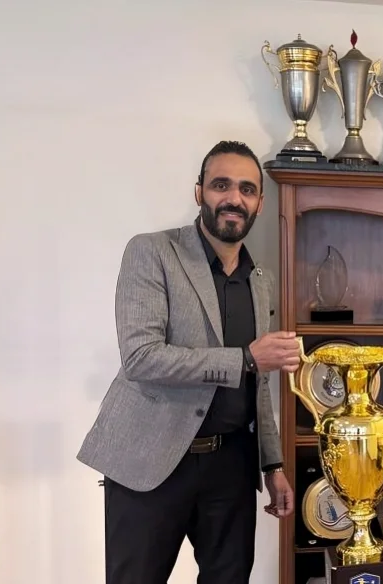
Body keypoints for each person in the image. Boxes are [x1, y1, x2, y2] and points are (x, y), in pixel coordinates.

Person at [77, 140, 302, 584]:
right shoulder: (152, 252)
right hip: (150, 462)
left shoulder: (261, 281)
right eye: (221, 185)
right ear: (199, 192)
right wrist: (244, 358)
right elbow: (141, 357)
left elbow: (256, 383)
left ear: (259, 203)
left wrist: (272, 466)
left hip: (232, 466)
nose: (234, 198)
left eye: (247, 189)